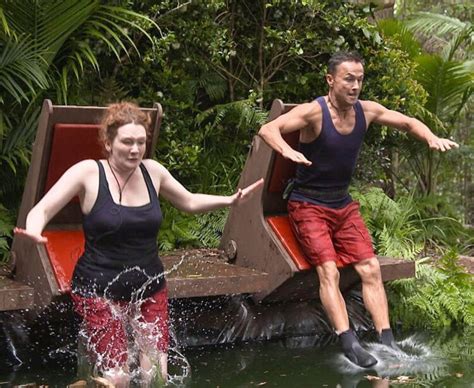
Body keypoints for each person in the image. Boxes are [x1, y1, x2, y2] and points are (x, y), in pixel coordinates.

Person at [14, 102, 263, 387]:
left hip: (149, 286)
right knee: (117, 378)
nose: (135, 149)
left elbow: (189, 201)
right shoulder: (87, 173)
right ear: (108, 142)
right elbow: (42, 210)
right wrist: (34, 230)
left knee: (156, 377)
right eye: (127, 142)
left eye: (141, 142)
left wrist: (229, 200)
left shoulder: (153, 171)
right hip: (99, 289)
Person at [258, 51, 458, 368]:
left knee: (371, 268)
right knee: (329, 271)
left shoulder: (367, 111)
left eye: (360, 79)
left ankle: (387, 341)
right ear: (331, 80)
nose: (355, 86)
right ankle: (348, 341)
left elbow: (407, 122)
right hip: (308, 204)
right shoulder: (314, 113)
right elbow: (268, 130)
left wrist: (430, 136)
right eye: (349, 78)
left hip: (342, 205)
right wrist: (288, 151)